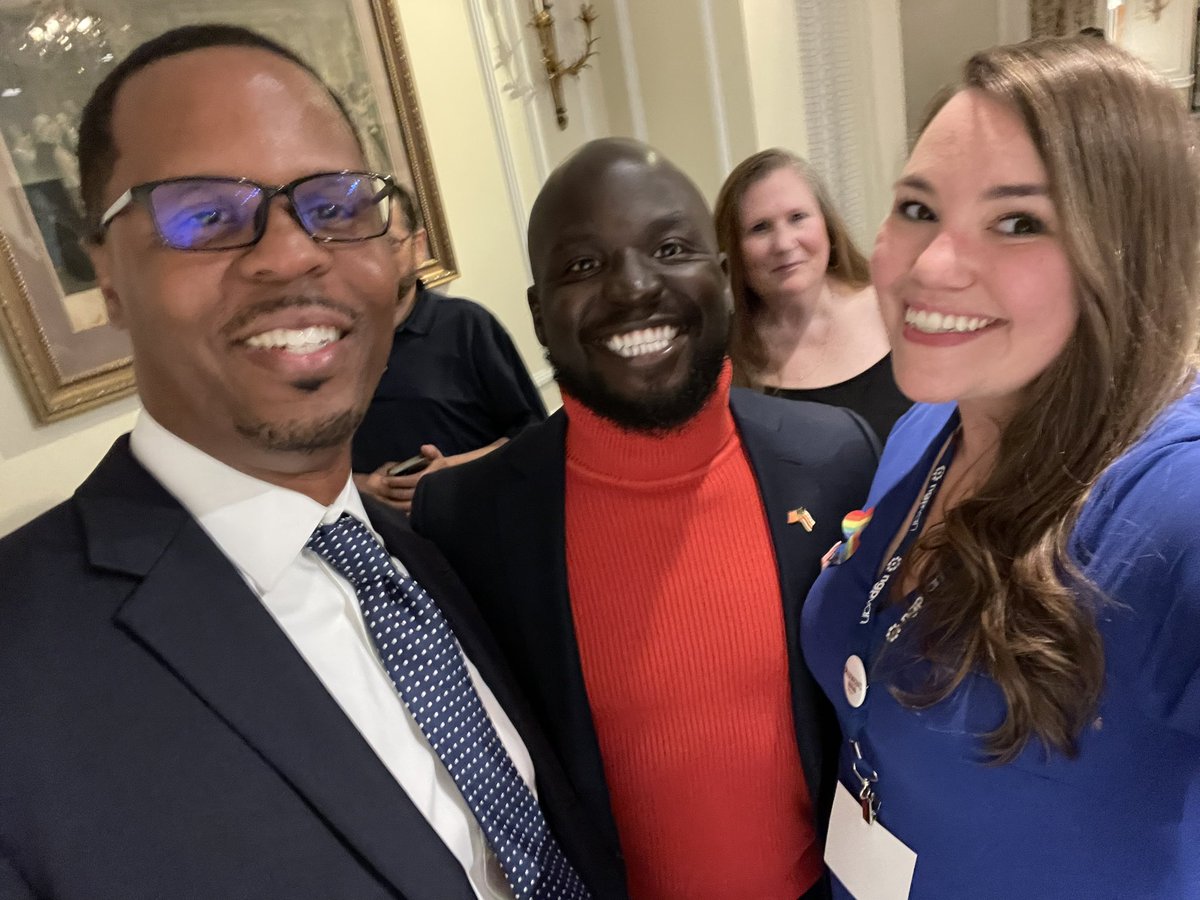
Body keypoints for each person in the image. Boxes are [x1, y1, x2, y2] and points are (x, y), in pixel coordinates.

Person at [0, 24, 622, 900]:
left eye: (334, 207)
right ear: (104, 272)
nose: (292, 254)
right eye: (207, 215)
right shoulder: (23, 672)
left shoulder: (420, 556)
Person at [413, 137, 879, 899]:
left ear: (724, 281)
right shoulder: (465, 521)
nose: (633, 287)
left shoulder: (835, 460)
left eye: (668, 247)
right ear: (537, 313)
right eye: (583, 265)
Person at [802, 38, 1200, 898]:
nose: (931, 265)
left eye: (1018, 222)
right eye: (917, 207)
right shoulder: (924, 429)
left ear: (1126, 256)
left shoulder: (1171, 506)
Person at [352, 183, 546, 511]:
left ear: (418, 245)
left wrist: (450, 469)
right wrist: (361, 485)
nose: (375, 262)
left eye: (389, 244)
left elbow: (535, 436)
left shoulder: (467, 326)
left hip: (482, 531)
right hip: (385, 549)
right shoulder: (330, 346)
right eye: (360, 246)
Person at [714, 149, 911, 443]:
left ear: (827, 226)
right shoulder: (722, 358)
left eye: (797, 217)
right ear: (733, 250)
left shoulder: (898, 307)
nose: (783, 243)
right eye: (759, 228)